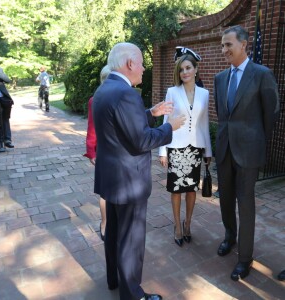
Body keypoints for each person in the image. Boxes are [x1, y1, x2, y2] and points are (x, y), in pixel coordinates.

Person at [93, 42, 185, 300]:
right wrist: (170, 128)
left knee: (113, 233)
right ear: (130, 64)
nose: (144, 68)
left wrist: (151, 113)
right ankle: (133, 294)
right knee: (130, 241)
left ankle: (115, 280)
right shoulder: (126, 93)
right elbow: (141, 140)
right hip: (129, 181)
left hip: (111, 178)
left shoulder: (105, 89)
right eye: (142, 63)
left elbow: (121, 122)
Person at [214, 25, 280, 281]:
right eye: (222, 45)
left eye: (228, 44)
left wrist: (255, 140)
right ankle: (230, 236)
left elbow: (271, 113)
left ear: (244, 44)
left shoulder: (262, 74)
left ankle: (245, 258)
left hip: (249, 152)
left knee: (246, 203)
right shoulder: (220, 78)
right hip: (225, 149)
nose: (224, 50)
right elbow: (223, 115)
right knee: (225, 200)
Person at [159, 49, 212, 247]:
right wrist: (163, 150)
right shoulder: (172, 92)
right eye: (181, 69)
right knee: (176, 190)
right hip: (176, 147)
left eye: (188, 68)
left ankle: (187, 223)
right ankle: (177, 227)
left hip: (195, 148)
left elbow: (204, 123)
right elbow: (166, 120)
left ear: (196, 69)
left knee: (191, 189)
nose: (185, 72)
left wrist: (208, 151)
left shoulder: (205, 94)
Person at [83, 65, 111, 241]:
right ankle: (105, 223)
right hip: (104, 151)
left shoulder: (123, 97)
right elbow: (91, 127)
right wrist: (91, 152)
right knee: (105, 191)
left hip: (121, 152)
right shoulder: (95, 100)